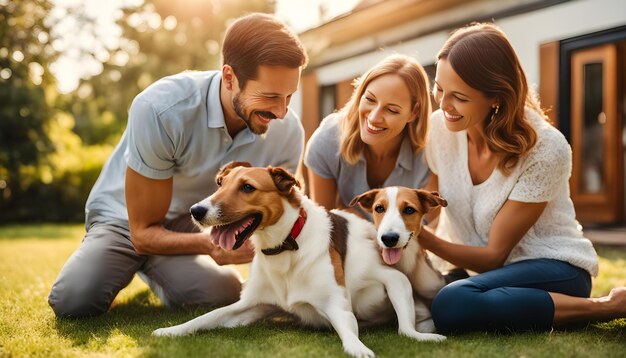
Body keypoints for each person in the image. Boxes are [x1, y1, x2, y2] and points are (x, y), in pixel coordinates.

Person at [48, 13, 308, 318]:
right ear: (229, 78)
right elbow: (143, 233)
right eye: (270, 96)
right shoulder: (161, 109)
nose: (281, 111)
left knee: (225, 294)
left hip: (197, 221)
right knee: (74, 302)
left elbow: (278, 215)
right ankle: (122, 264)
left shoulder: (288, 131)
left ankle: (161, 274)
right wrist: (211, 246)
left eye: (289, 96)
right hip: (125, 221)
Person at [419, 22, 626, 333]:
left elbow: (492, 256)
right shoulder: (440, 129)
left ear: (496, 97)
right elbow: (431, 204)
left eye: (459, 97)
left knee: (451, 304)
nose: (443, 104)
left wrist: (419, 237)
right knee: (423, 298)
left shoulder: (546, 147)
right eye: (439, 88)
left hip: (551, 268)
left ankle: (607, 305)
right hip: (480, 274)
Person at [304, 54, 431, 219]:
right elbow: (323, 221)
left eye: (391, 110)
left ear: (413, 113)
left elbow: (424, 229)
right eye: (370, 99)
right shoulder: (327, 140)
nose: (373, 118)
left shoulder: (429, 154)